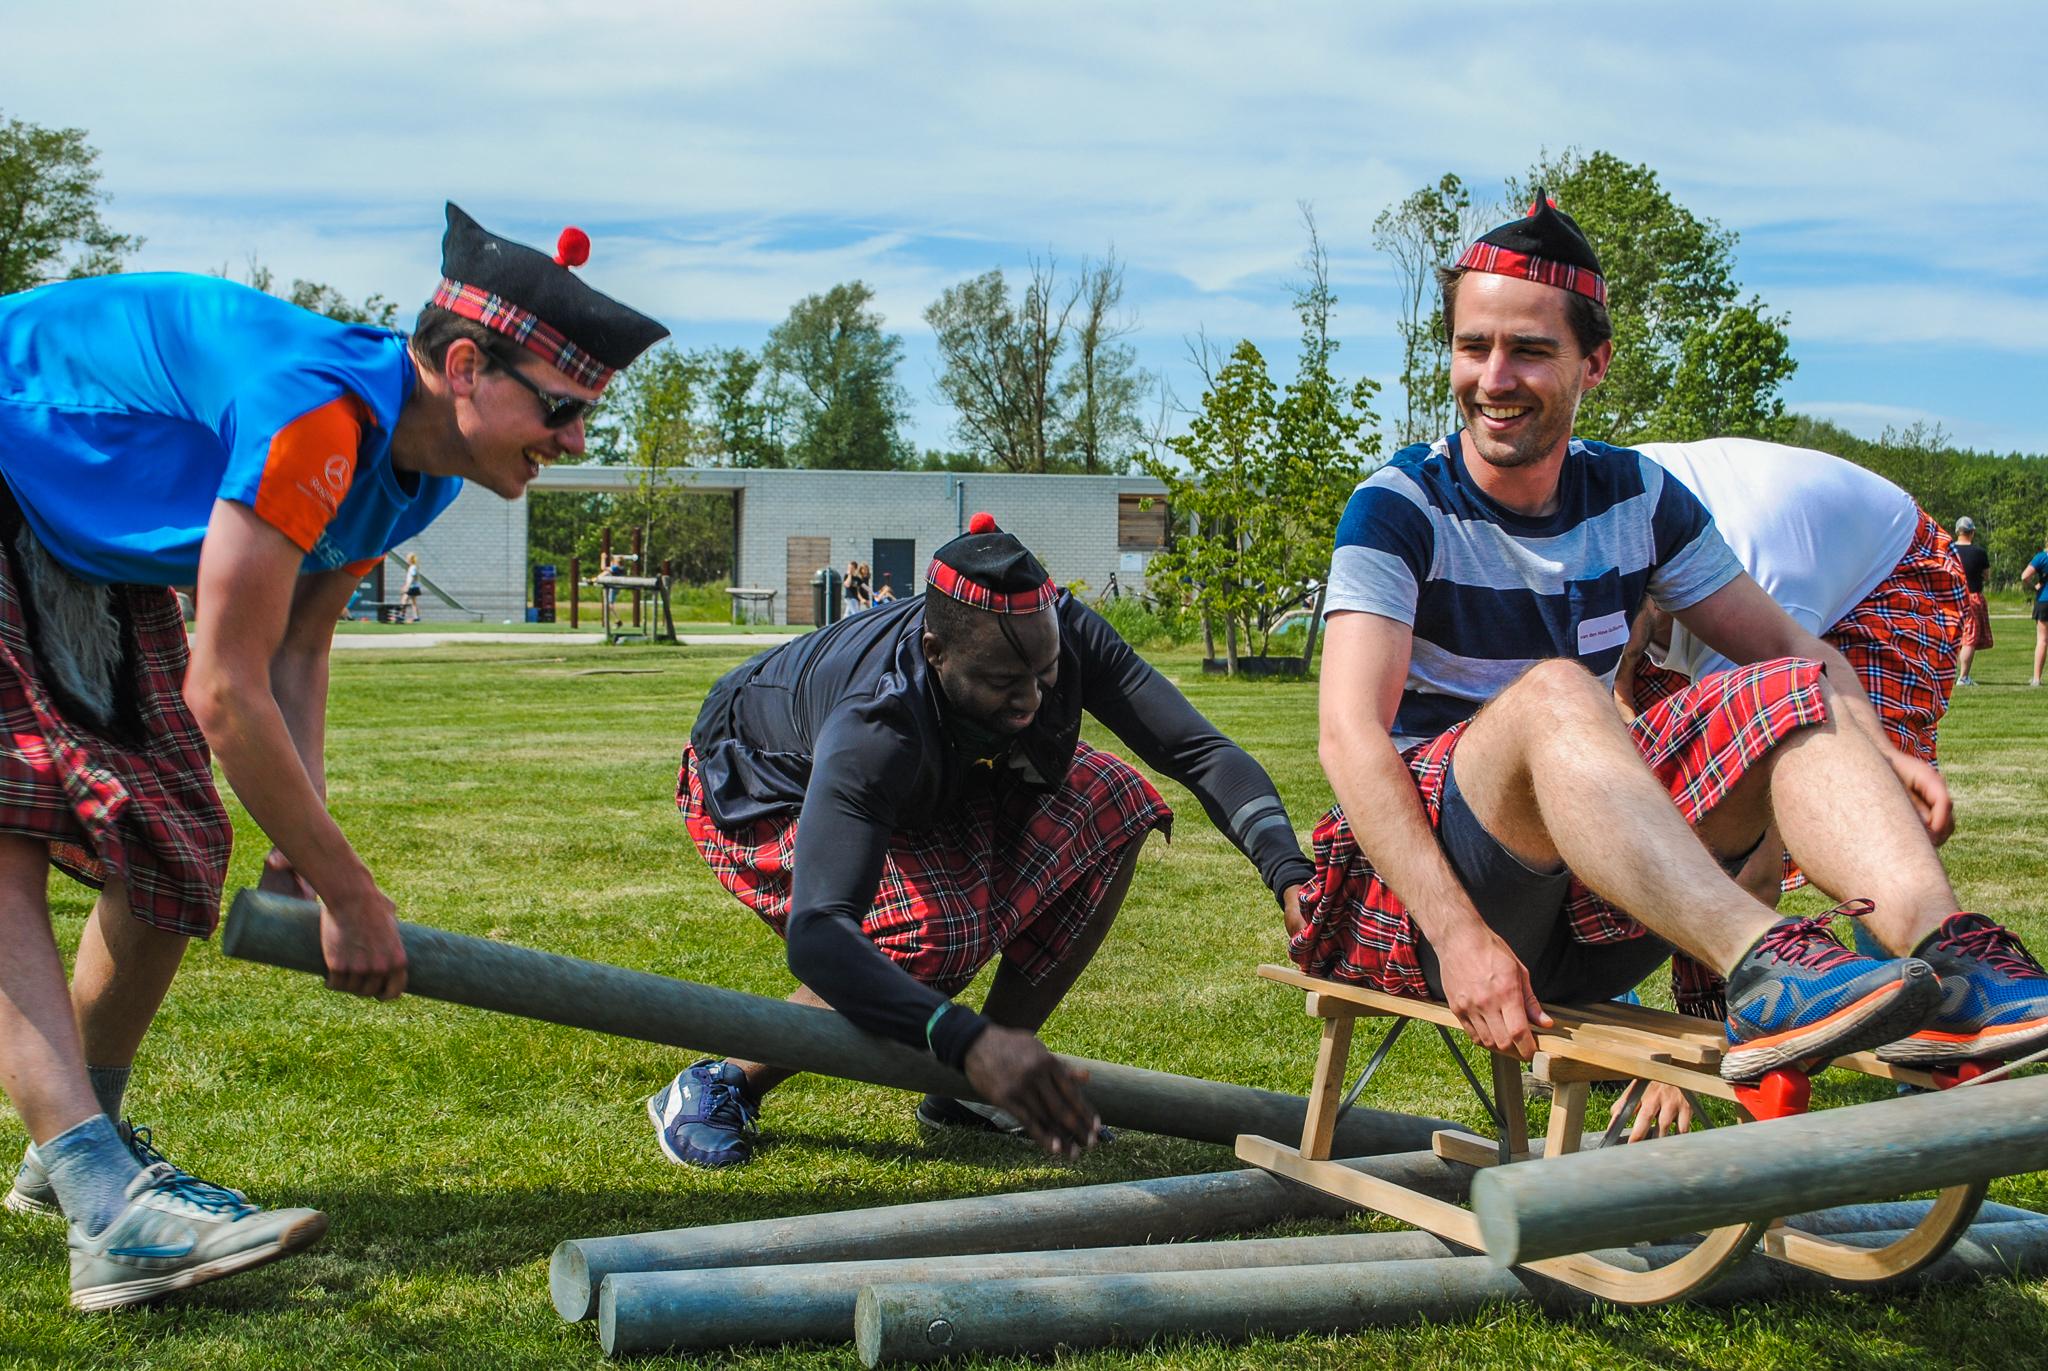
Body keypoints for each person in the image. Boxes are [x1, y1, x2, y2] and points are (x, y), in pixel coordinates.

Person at [0, 203, 667, 1308]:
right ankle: (102, 1199)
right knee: (12, 818)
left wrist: (295, 848)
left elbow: (295, 651)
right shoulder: (316, 416)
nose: (574, 443)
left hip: (77, 539)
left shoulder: (421, 473)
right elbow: (223, 687)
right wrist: (353, 895)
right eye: (561, 408)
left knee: (177, 843)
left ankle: (74, 1145)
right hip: (15, 469)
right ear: (466, 367)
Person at [1296, 194, 2048, 1149]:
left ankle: (1951, 962)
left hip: (1594, 905)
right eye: (1472, 346)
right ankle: (1760, 965)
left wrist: (1878, 744)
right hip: (1423, 899)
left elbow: (1793, 649)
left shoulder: (1639, 494)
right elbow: (1347, 735)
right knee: (1561, 690)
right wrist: (1458, 935)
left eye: (1529, 349)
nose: (1494, 377)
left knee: (1794, 689)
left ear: (1595, 363)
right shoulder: (1398, 504)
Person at [656, 514, 1315, 1167]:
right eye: (1004, 682)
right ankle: (724, 1079)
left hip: (934, 774)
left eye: (1045, 673)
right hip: (757, 781)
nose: (1031, 700)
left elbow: (1199, 751)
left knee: (1116, 799)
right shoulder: (877, 721)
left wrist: (1290, 874)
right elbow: (820, 932)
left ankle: (973, 1093)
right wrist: (963, 1039)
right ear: (935, 651)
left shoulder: (1059, 633)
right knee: (932, 928)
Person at [1611, 438, 1965, 903]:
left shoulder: (1744, 582)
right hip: (1744, 559)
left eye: (1617, 634)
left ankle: (1916, 937)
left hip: (1888, 572)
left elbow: (1752, 871)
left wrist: (1878, 750)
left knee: (1860, 800)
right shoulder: (1590, 512)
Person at [1951, 517, 1992, 685]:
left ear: (1957, 531)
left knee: (1952, 635)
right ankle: (1963, 677)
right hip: (1972, 597)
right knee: (1970, 637)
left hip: (1951, 596)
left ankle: (1947, 674)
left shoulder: (1948, 550)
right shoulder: (1979, 553)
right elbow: (1987, 576)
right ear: (1972, 532)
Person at [2024, 533, 2048, 688]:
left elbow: (2024, 576)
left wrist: (2034, 587)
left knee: (2042, 640)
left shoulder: (2042, 557)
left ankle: (2036, 678)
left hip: (2044, 599)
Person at [400, 553, 424, 623]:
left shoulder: (412, 567)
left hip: (412, 587)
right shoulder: (413, 567)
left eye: (407, 558)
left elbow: (412, 578)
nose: (406, 560)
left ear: (410, 559)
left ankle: (402, 616)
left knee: (404, 600)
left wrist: (406, 587)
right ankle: (416, 617)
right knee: (413, 602)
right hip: (414, 587)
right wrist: (405, 585)